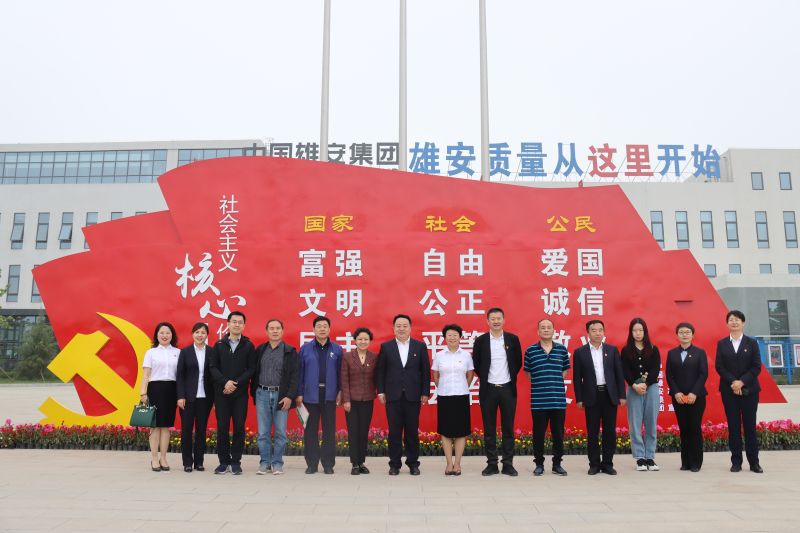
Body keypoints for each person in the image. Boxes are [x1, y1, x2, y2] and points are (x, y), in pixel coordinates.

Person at [376, 314, 431, 476]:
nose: (401, 329)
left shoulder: (419, 346)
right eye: (398, 326)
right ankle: (394, 464)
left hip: (413, 395)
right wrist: (381, 391)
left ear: (410, 328)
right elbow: (380, 371)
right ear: (393, 328)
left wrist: (425, 392)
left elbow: (425, 371)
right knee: (394, 432)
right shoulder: (386, 347)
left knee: (412, 431)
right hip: (392, 396)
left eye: (405, 326)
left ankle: (413, 464)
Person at [471, 307, 522, 476]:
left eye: (499, 318)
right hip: (488, 389)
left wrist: (507, 379)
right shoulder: (481, 341)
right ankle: (492, 464)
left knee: (508, 429)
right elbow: (477, 364)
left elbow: (517, 363)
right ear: (487, 321)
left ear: (504, 320)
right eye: (492, 319)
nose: (496, 321)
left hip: (507, 388)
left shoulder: (512, 339)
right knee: (489, 429)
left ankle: (508, 464)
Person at [572, 319, 626, 475]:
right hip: (591, 396)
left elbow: (619, 374)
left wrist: (622, 395)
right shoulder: (580, 352)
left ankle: (607, 464)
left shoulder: (612, 350)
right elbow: (577, 378)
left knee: (609, 432)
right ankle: (594, 464)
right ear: (588, 333)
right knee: (592, 432)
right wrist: (579, 398)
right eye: (594, 330)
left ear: (604, 332)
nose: (597, 333)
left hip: (609, 395)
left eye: (600, 330)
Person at [715, 310, 763, 473]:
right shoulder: (722, 343)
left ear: (743, 323)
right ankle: (736, 462)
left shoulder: (752, 343)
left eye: (737, 320)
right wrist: (734, 383)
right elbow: (719, 366)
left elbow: (756, 366)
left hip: (750, 390)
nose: (734, 322)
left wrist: (742, 382)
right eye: (731, 320)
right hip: (729, 391)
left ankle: (754, 463)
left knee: (750, 427)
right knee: (733, 427)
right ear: (727, 323)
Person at [208, 311, 256, 475]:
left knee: (239, 428)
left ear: (244, 325)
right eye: (234, 322)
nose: (237, 324)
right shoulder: (219, 344)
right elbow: (213, 367)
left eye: (240, 322)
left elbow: (251, 369)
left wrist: (236, 383)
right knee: (222, 428)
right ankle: (223, 462)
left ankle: (236, 462)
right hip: (222, 393)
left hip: (240, 394)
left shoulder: (248, 345)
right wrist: (225, 382)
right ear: (228, 324)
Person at [251, 319, 298, 476]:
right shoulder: (260, 350)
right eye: (271, 328)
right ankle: (264, 462)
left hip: (281, 396)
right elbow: (253, 372)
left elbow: (295, 376)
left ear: (282, 331)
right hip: (262, 393)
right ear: (267, 331)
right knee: (263, 432)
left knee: (280, 432)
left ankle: (277, 463)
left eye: (278, 328)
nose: (275, 331)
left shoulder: (290, 351)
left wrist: (289, 396)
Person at [296, 315, 343, 474]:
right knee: (310, 431)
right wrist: (299, 393)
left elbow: (340, 373)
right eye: (319, 326)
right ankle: (312, 464)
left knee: (329, 431)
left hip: (329, 396)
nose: (322, 329)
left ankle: (328, 464)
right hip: (310, 396)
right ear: (313, 329)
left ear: (329, 329)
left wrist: (340, 391)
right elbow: (300, 373)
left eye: (325, 326)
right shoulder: (305, 349)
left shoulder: (337, 349)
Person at [524, 318, 570, 476]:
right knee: (538, 434)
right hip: (539, 402)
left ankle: (557, 464)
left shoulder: (561, 350)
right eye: (542, 327)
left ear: (553, 331)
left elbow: (564, 371)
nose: (546, 330)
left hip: (558, 401)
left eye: (548, 327)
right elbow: (528, 374)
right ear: (538, 331)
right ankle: (539, 464)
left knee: (558, 434)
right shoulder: (531, 351)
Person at [432, 324, 474, 476]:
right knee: (445, 431)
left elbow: (470, 375)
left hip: (461, 395)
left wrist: (462, 386)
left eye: (455, 335)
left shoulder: (466, 355)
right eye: (449, 335)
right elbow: (435, 376)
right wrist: (444, 386)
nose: (452, 338)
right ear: (445, 338)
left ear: (460, 337)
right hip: (444, 396)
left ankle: (457, 464)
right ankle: (449, 463)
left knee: (461, 431)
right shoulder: (439, 355)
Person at [620, 318, 662, 471]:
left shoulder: (653, 349)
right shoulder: (626, 350)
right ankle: (640, 458)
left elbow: (655, 369)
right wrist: (634, 385)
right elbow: (625, 370)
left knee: (651, 423)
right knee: (635, 424)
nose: (638, 333)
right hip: (633, 390)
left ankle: (650, 456)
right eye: (635, 330)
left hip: (651, 389)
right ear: (630, 332)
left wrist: (646, 384)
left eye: (640, 330)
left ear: (645, 332)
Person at [666, 322, 708, 472]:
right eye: (681, 332)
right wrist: (676, 392)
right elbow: (669, 375)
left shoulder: (699, 352)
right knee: (684, 429)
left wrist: (694, 392)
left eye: (687, 332)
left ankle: (696, 462)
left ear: (692, 335)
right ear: (677, 335)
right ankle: (685, 462)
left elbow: (703, 374)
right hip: (678, 398)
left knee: (694, 428)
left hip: (696, 397)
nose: (684, 335)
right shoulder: (672, 353)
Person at [140, 322, 180, 472]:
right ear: (156, 335)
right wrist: (143, 393)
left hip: (171, 390)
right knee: (155, 426)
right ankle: (154, 458)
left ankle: (164, 457)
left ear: (172, 335)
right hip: (155, 389)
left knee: (166, 426)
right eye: (161, 333)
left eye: (167, 333)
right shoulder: (151, 353)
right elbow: (146, 375)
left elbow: (181, 375)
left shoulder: (178, 352)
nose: (164, 335)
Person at [176, 322, 214, 472]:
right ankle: (187, 462)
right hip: (187, 398)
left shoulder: (211, 352)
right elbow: (180, 376)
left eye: (203, 332)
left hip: (205, 398)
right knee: (186, 430)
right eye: (197, 332)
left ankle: (199, 462)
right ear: (192, 334)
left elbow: (214, 376)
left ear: (207, 335)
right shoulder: (185, 352)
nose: (200, 335)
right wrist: (180, 396)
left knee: (201, 431)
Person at [340, 327, 378, 475]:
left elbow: (377, 377)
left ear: (370, 341)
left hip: (368, 399)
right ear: (355, 341)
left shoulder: (374, 357)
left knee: (363, 432)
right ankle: (354, 463)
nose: (363, 342)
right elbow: (344, 379)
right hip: (352, 401)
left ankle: (361, 462)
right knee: (353, 432)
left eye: (366, 339)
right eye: (360, 339)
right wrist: (346, 400)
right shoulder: (348, 357)